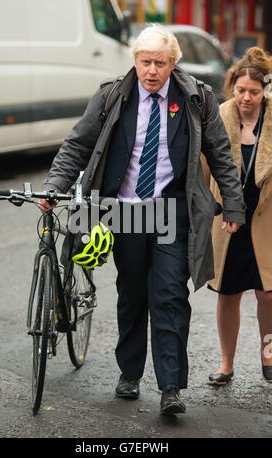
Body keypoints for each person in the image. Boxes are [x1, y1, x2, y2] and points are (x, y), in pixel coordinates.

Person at [40, 25, 245, 415]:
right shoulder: (112, 95)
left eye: (160, 63)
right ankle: (130, 373)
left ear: (173, 64)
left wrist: (233, 205)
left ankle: (171, 387)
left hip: (170, 209)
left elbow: (220, 153)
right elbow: (78, 144)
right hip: (124, 211)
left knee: (169, 294)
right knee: (132, 293)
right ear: (134, 61)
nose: (151, 70)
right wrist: (55, 185)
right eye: (145, 61)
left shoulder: (195, 97)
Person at [208, 47, 272, 385]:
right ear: (232, 86)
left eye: (254, 92)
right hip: (228, 221)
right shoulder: (219, 117)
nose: (246, 98)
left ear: (265, 91)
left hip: (267, 221)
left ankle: (269, 353)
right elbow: (204, 170)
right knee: (228, 293)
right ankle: (226, 363)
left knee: (268, 294)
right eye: (240, 90)